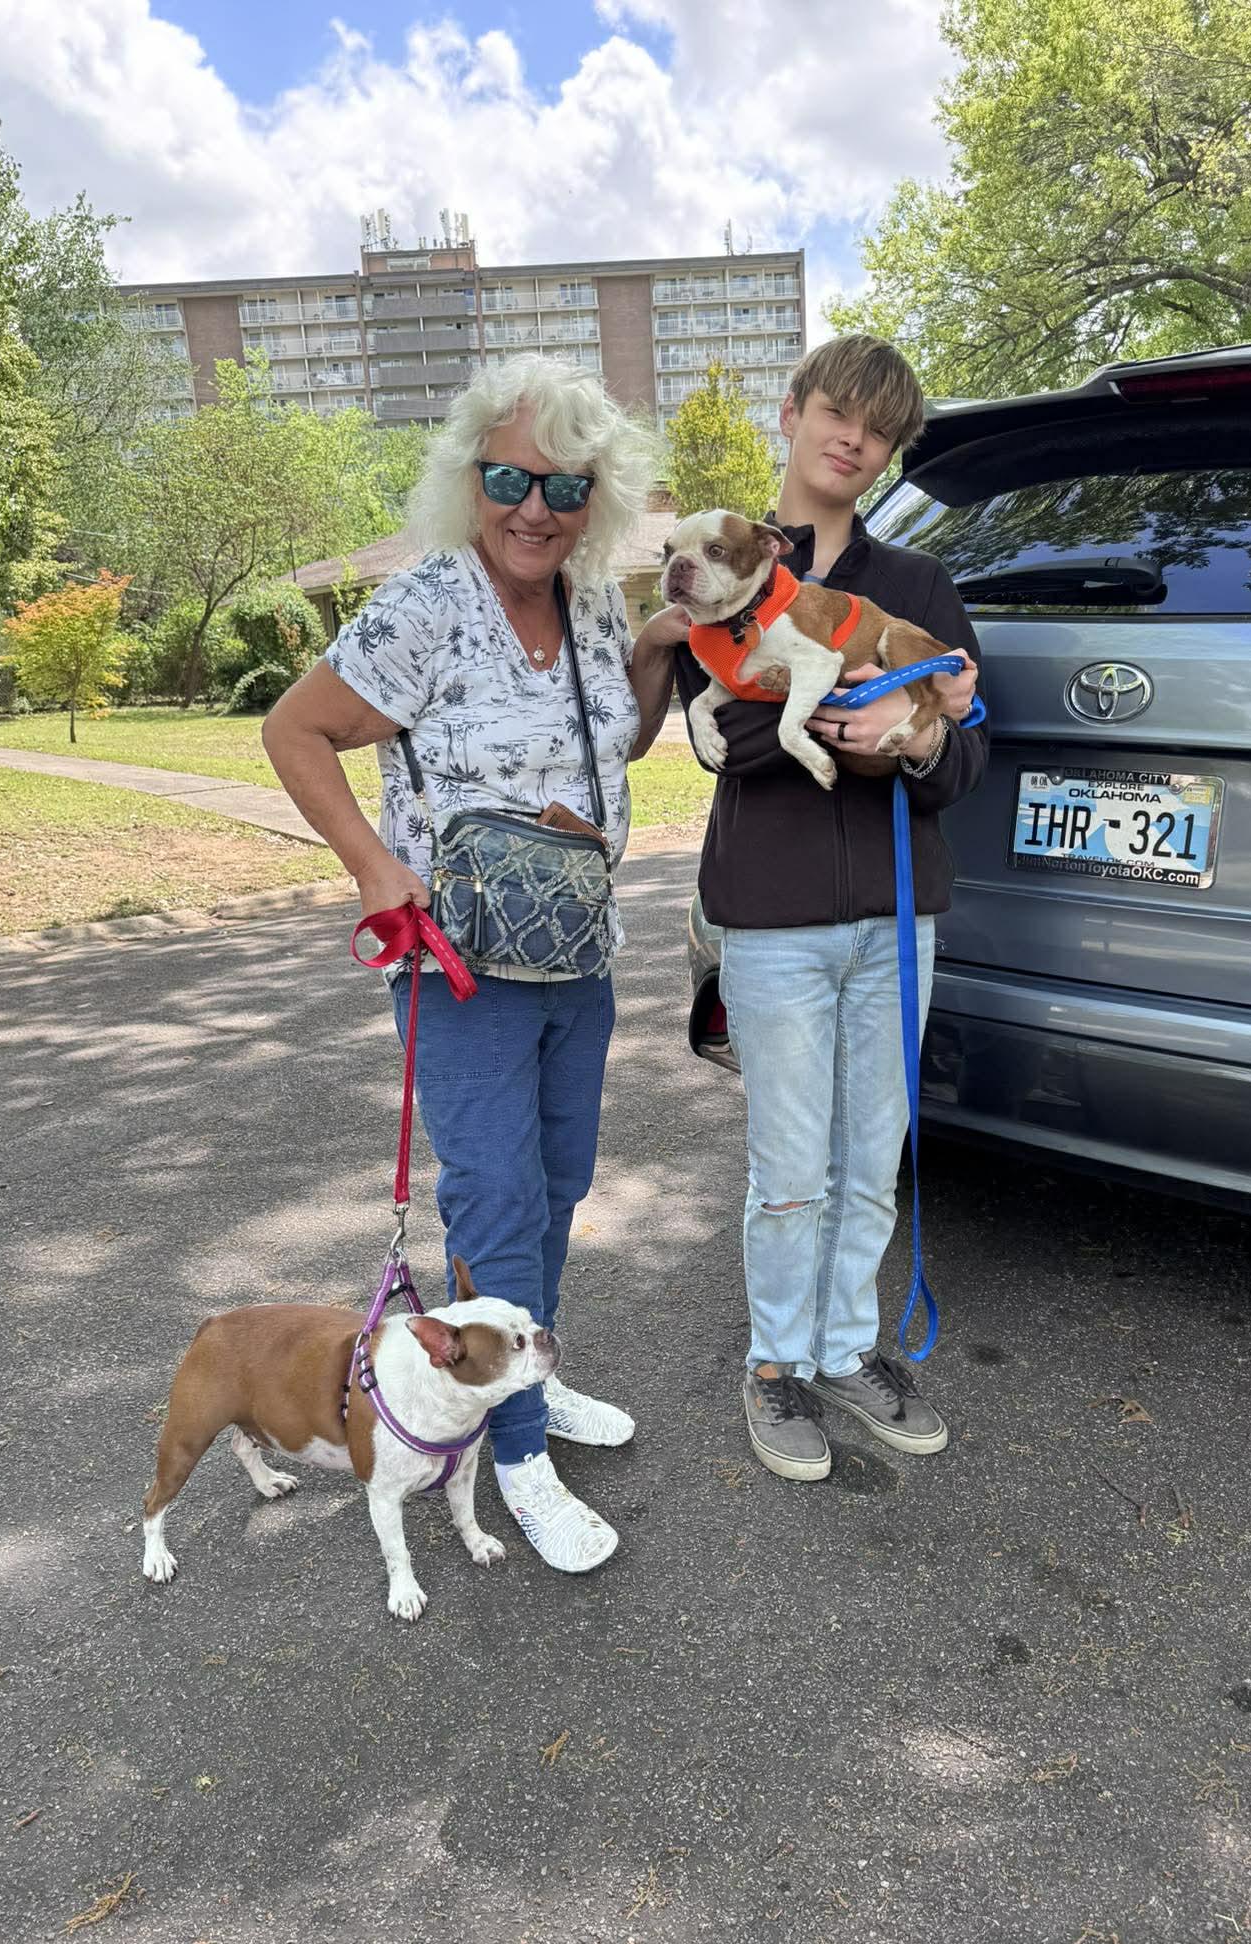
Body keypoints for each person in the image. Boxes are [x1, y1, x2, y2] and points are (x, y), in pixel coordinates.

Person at [263, 354, 672, 1570]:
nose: (534, 507)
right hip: (463, 967)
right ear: (469, 478)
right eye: (509, 477)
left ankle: (519, 1374)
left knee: (557, 1187)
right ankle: (519, 1451)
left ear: (597, 497)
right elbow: (296, 729)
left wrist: (655, 653)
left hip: (577, 952)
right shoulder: (429, 602)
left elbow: (606, 743)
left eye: (564, 485)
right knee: (495, 1202)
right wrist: (372, 869)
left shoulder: (594, 603)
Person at [627, 335, 985, 1482]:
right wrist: (858, 725)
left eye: (877, 432)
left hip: (898, 915)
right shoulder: (711, 569)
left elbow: (968, 756)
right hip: (773, 915)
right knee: (790, 1161)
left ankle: (845, 1348)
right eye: (836, 412)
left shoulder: (918, 585)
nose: (852, 441)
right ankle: (775, 1363)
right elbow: (721, 734)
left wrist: (920, 738)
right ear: (792, 411)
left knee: (871, 1151)